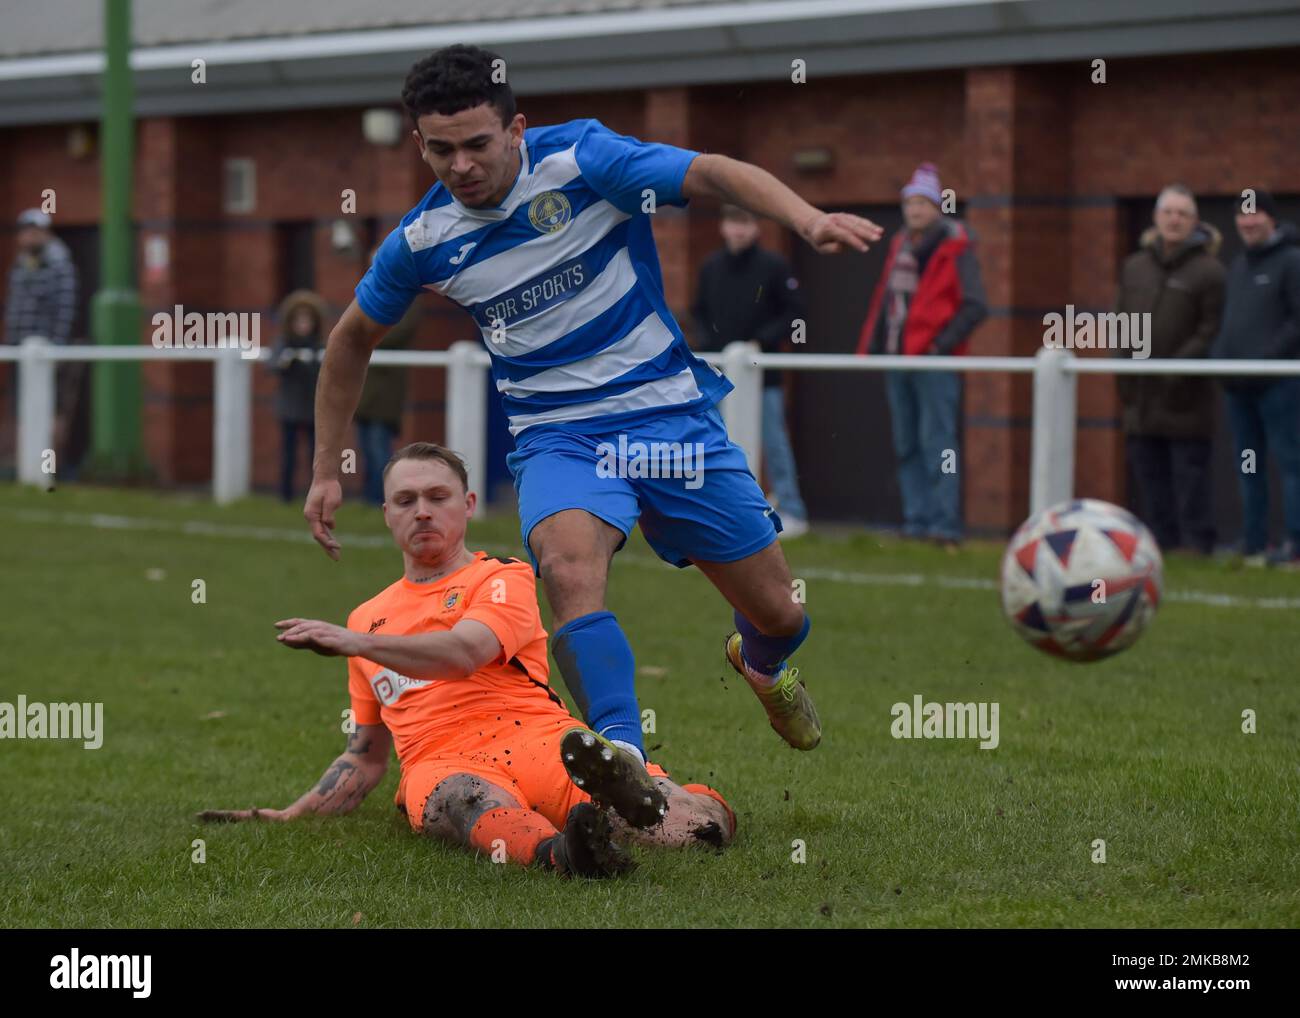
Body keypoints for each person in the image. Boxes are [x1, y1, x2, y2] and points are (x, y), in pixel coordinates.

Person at [301, 45, 886, 811]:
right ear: (419, 144)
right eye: (441, 149)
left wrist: (805, 218)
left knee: (781, 612)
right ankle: (624, 758)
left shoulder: (585, 159)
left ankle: (763, 664)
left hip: (667, 420)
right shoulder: (422, 240)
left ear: (517, 128)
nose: (461, 165)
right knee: (569, 568)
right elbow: (349, 340)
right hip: (559, 436)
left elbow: (707, 170)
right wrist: (324, 466)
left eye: (478, 144)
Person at [200, 443, 735, 878]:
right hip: (440, 759)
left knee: (686, 832)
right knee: (463, 798)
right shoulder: (366, 618)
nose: (423, 510)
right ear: (386, 514)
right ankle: (564, 853)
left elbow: (464, 653)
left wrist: (355, 644)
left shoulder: (501, 577)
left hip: (538, 737)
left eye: (438, 496)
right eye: (405, 500)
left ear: (468, 504)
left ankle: (698, 807)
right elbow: (364, 756)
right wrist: (287, 814)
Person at [855, 163, 987, 551]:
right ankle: (916, 523)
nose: (914, 209)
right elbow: (886, 299)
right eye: (909, 202)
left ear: (937, 206)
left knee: (939, 443)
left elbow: (975, 305)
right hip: (898, 361)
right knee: (906, 443)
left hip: (933, 364)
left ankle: (945, 527)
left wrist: (938, 347)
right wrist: (873, 346)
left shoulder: (956, 245)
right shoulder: (900, 245)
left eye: (922, 202)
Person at [1114, 184, 1224, 556]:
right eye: (1168, 212)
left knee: (1190, 477)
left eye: (1183, 214)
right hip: (1141, 399)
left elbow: (1210, 329)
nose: (1174, 220)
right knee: (1150, 476)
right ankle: (1160, 543)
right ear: (1156, 218)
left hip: (1186, 397)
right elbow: (1121, 325)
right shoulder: (1134, 267)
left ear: (1194, 222)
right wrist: (1125, 376)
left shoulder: (1210, 271)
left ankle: (1197, 545)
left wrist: (1175, 370)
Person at [692, 204, 810, 538]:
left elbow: (795, 312)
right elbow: (698, 311)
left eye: (745, 224)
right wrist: (711, 347)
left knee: (773, 440)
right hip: (718, 376)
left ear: (756, 228)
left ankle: (791, 507)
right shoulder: (711, 267)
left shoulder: (773, 266)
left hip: (763, 372)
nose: (738, 231)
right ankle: (725, 508)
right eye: (732, 223)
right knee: (719, 442)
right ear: (723, 227)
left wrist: (762, 342)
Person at [1210, 190, 1300, 567]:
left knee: (1290, 463)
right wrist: (1219, 358)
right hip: (1239, 390)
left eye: (1256, 214)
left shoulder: (1291, 262)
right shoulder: (1239, 266)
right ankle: (1254, 542)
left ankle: (1295, 545)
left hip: (1279, 387)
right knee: (1249, 464)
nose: (1248, 222)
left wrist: (1267, 361)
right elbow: (1231, 324)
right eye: (1242, 216)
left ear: (1271, 219)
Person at [3, 209, 80, 475]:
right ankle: (23, 463)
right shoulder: (21, 264)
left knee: (52, 411)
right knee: (20, 406)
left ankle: (50, 467)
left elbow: (65, 309)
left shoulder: (59, 265)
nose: (28, 237)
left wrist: (56, 347)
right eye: (25, 231)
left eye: (34, 231)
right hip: (19, 350)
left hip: (47, 352)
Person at [355, 283, 418, 505]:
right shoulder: (369, 296)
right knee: (365, 450)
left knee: (379, 448)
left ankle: (384, 499)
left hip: (386, 393)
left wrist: (364, 333)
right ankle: (370, 499)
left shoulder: (409, 300)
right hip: (364, 393)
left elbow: (389, 334)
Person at [272, 289, 325, 503]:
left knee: (316, 456)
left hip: (314, 409)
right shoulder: (283, 343)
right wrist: (287, 361)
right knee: (288, 454)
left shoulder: (319, 345)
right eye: (299, 320)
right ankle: (285, 495)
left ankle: (316, 494)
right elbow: (273, 365)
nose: (303, 325)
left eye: (307, 320)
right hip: (290, 408)